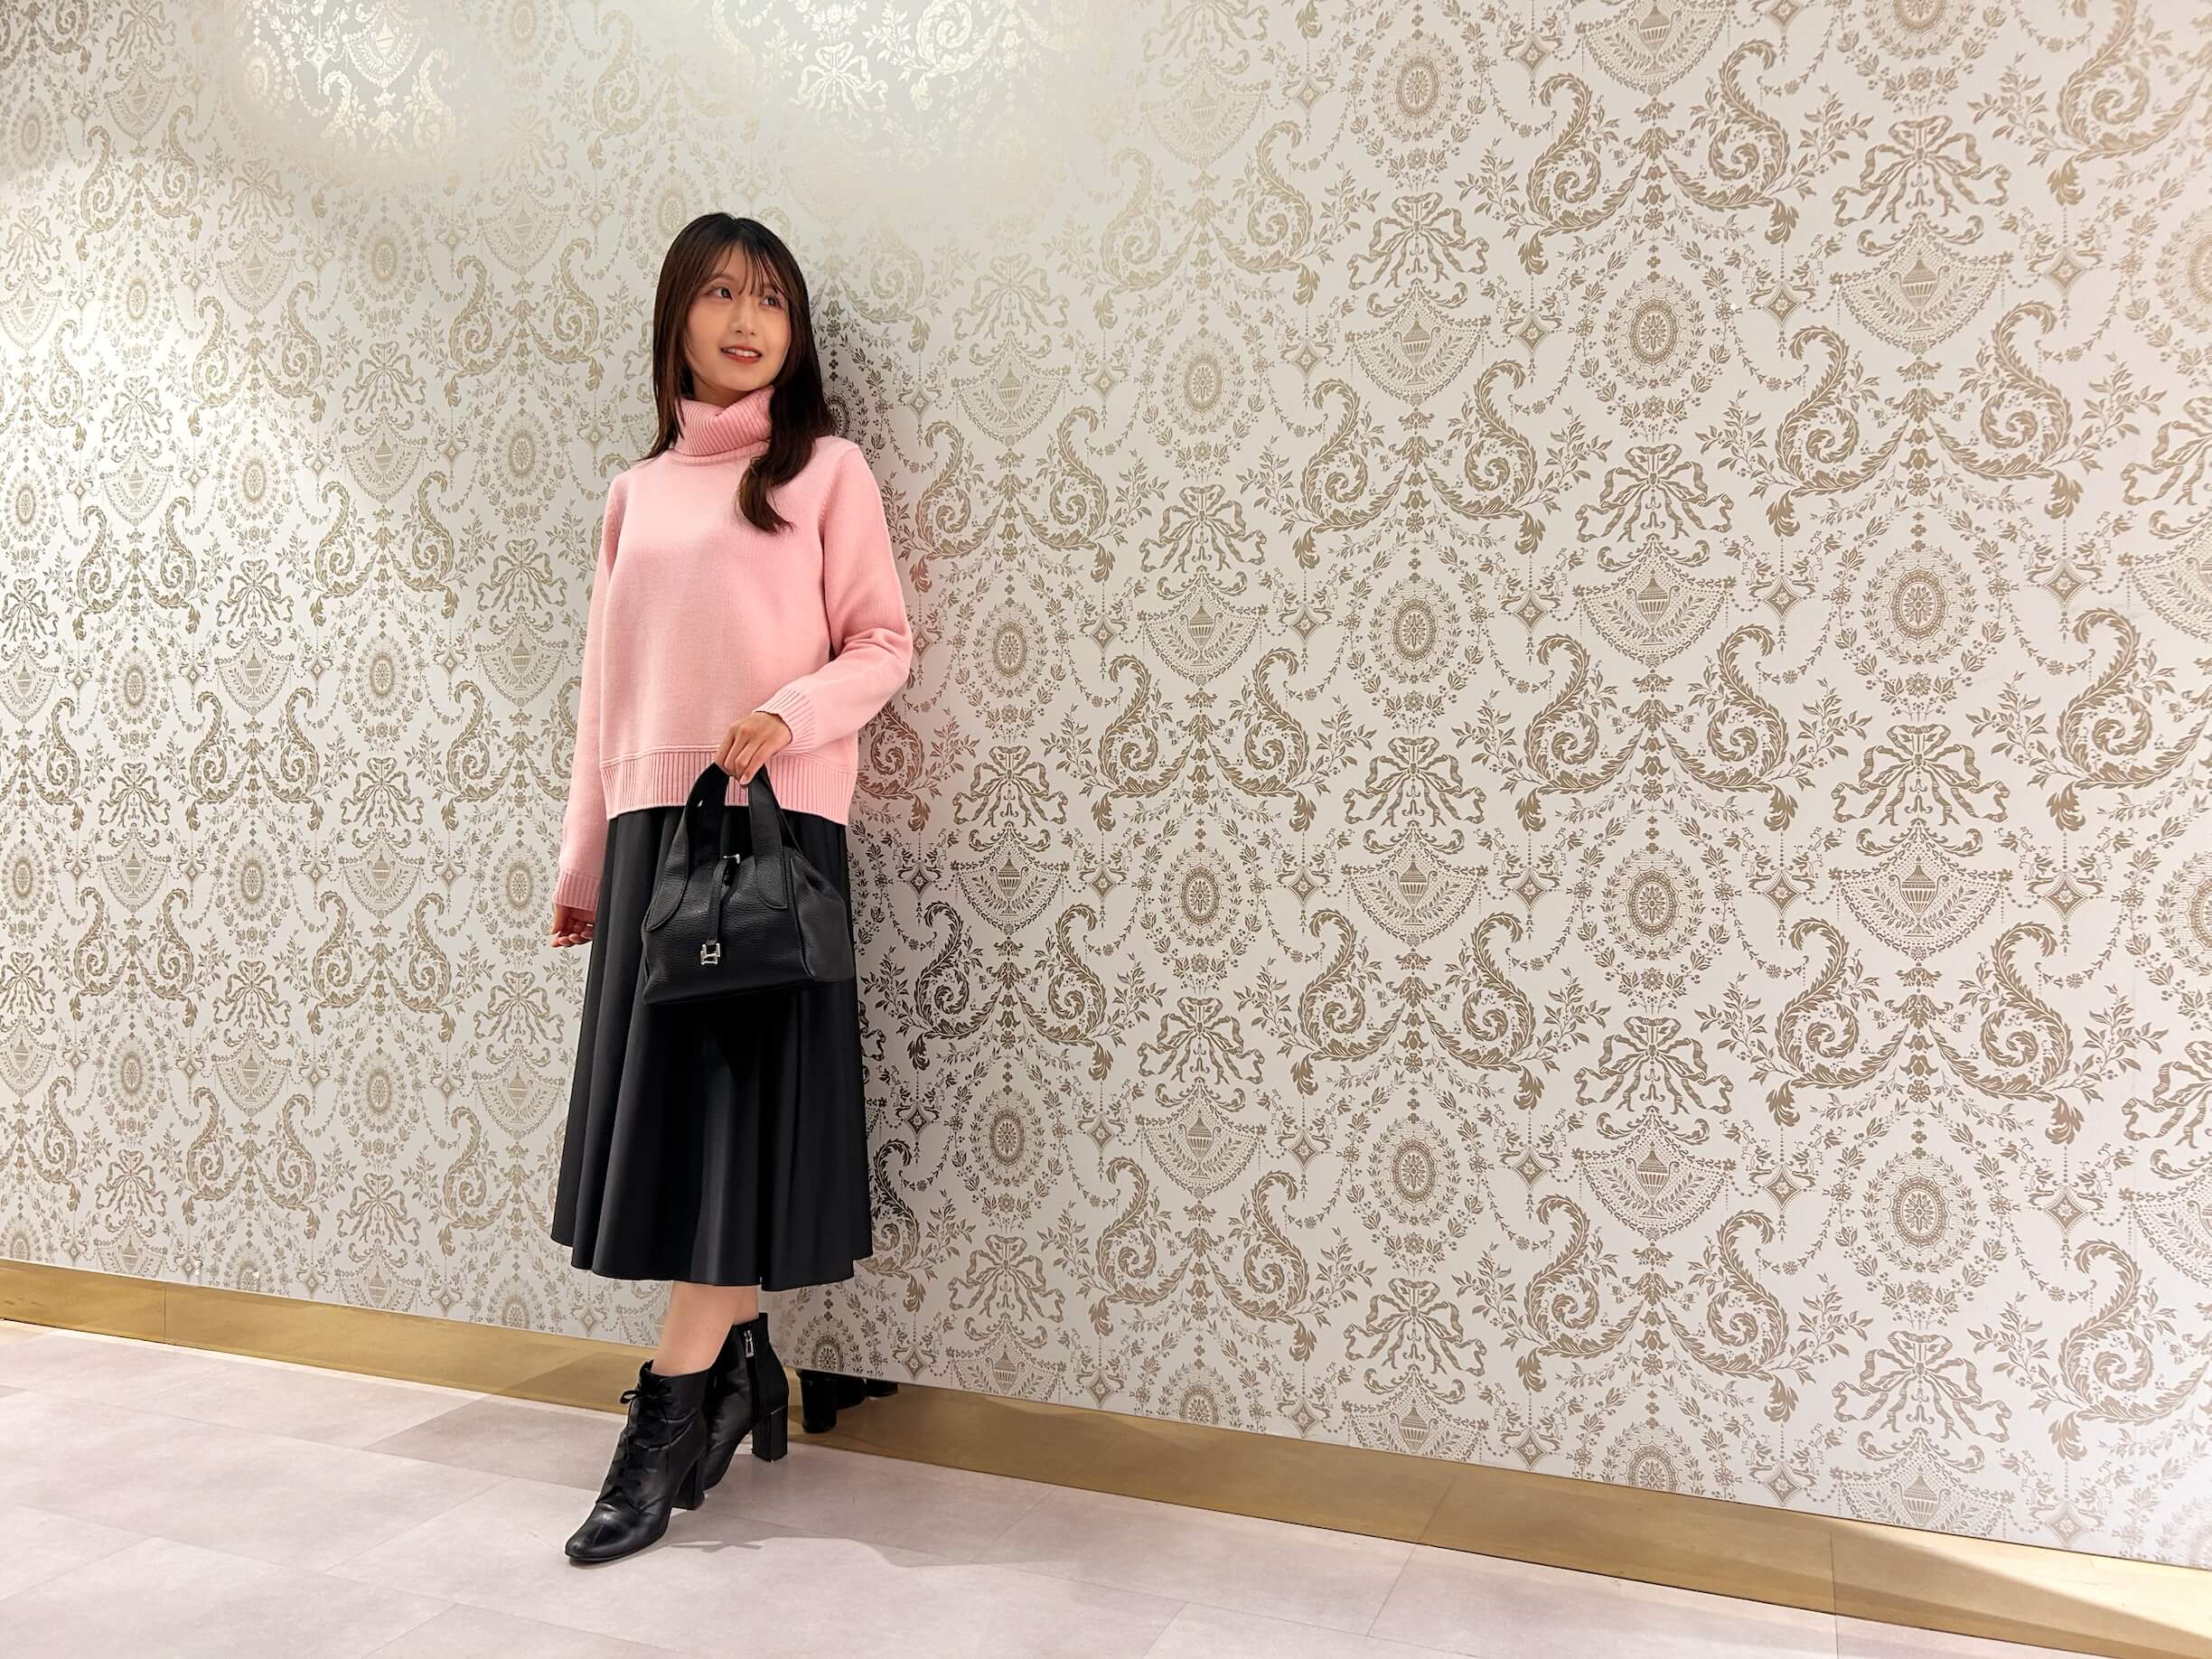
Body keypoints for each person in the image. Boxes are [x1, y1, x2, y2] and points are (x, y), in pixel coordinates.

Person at [546, 211, 914, 1565]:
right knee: (698, 1139)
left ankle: (666, 1414)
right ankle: (743, 1364)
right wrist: (586, 863)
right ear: (678, 319)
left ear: (794, 328)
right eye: (718, 294)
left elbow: (883, 641)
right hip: (656, 839)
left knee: (730, 1127)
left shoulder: (824, 470)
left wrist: (789, 711)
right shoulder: (636, 494)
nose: (747, 320)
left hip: (770, 832)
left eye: (769, 298)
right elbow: (603, 697)